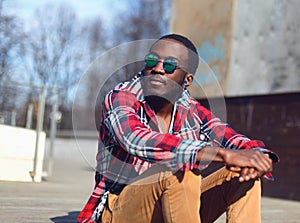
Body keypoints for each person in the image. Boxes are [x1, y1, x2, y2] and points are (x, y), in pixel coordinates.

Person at [78, 34, 279, 223]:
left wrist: (260, 156)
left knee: (244, 173)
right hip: (119, 210)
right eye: (151, 61)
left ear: (187, 79)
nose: (157, 69)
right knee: (181, 166)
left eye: (169, 65)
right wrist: (224, 155)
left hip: (174, 206)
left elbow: (228, 136)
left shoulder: (191, 109)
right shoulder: (122, 97)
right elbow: (134, 138)